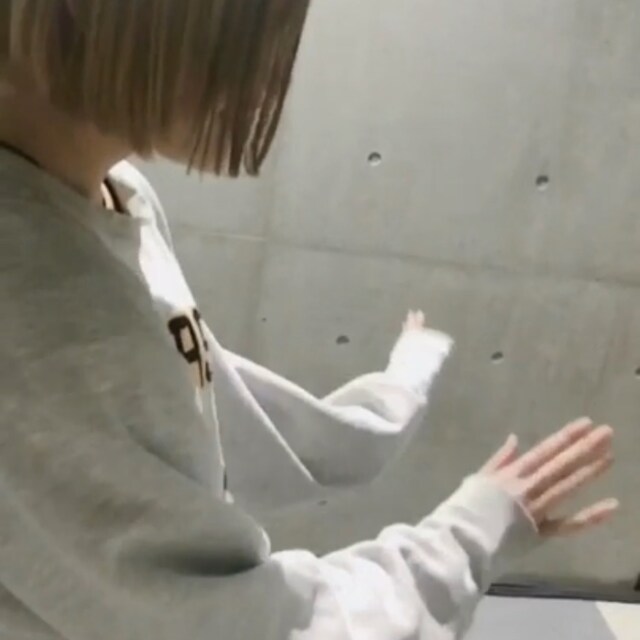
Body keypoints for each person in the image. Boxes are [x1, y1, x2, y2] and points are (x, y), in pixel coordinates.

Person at [0, 2, 618, 639]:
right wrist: (468, 537)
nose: (272, 75)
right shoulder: (29, 299)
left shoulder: (114, 193)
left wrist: (403, 382)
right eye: (261, 26)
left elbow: (217, 408)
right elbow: (234, 628)